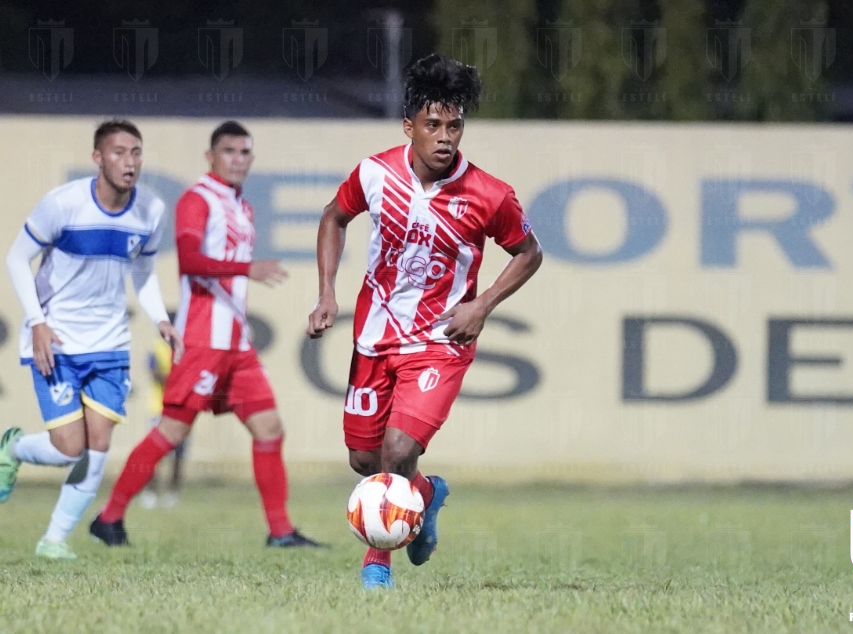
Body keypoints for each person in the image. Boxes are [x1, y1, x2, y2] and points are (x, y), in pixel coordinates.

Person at [307, 55, 543, 588]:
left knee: (397, 450)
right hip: (374, 337)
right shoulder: (375, 173)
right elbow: (333, 217)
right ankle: (428, 494)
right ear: (408, 126)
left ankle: (377, 566)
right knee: (365, 459)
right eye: (432, 125)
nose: (445, 138)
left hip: (440, 340)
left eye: (454, 126)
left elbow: (529, 252)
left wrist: (481, 306)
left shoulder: (489, 194)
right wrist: (327, 292)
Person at [92, 121, 323, 548]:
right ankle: (109, 518)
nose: (238, 159)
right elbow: (191, 260)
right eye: (230, 151)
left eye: (245, 152)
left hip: (236, 342)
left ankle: (281, 531)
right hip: (202, 339)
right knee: (173, 431)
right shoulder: (197, 199)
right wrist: (246, 269)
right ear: (211, 156)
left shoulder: (243, 207)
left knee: (270, 428)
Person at [0, 119, 183, 560]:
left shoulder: (151, 210)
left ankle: (54, 541)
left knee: (98, 446)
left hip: (109, 344)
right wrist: (38, 321)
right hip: (56, 340)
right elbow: (17, 257)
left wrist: (160, 318)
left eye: (136, 152)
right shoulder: (63, 205)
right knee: (69, 448)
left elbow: (143, 270)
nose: (130, 162)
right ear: (97, 158)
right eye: (119, 152)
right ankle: (14, 447)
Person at [140, 333, 186, 509]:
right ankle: (151, 493)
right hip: (158, 409)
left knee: (179, 455)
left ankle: (173, 494)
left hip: (181, 409)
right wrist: (176, 382)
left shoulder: (185, 347)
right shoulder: (156, 346)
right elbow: (153, 373)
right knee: (154, 454)